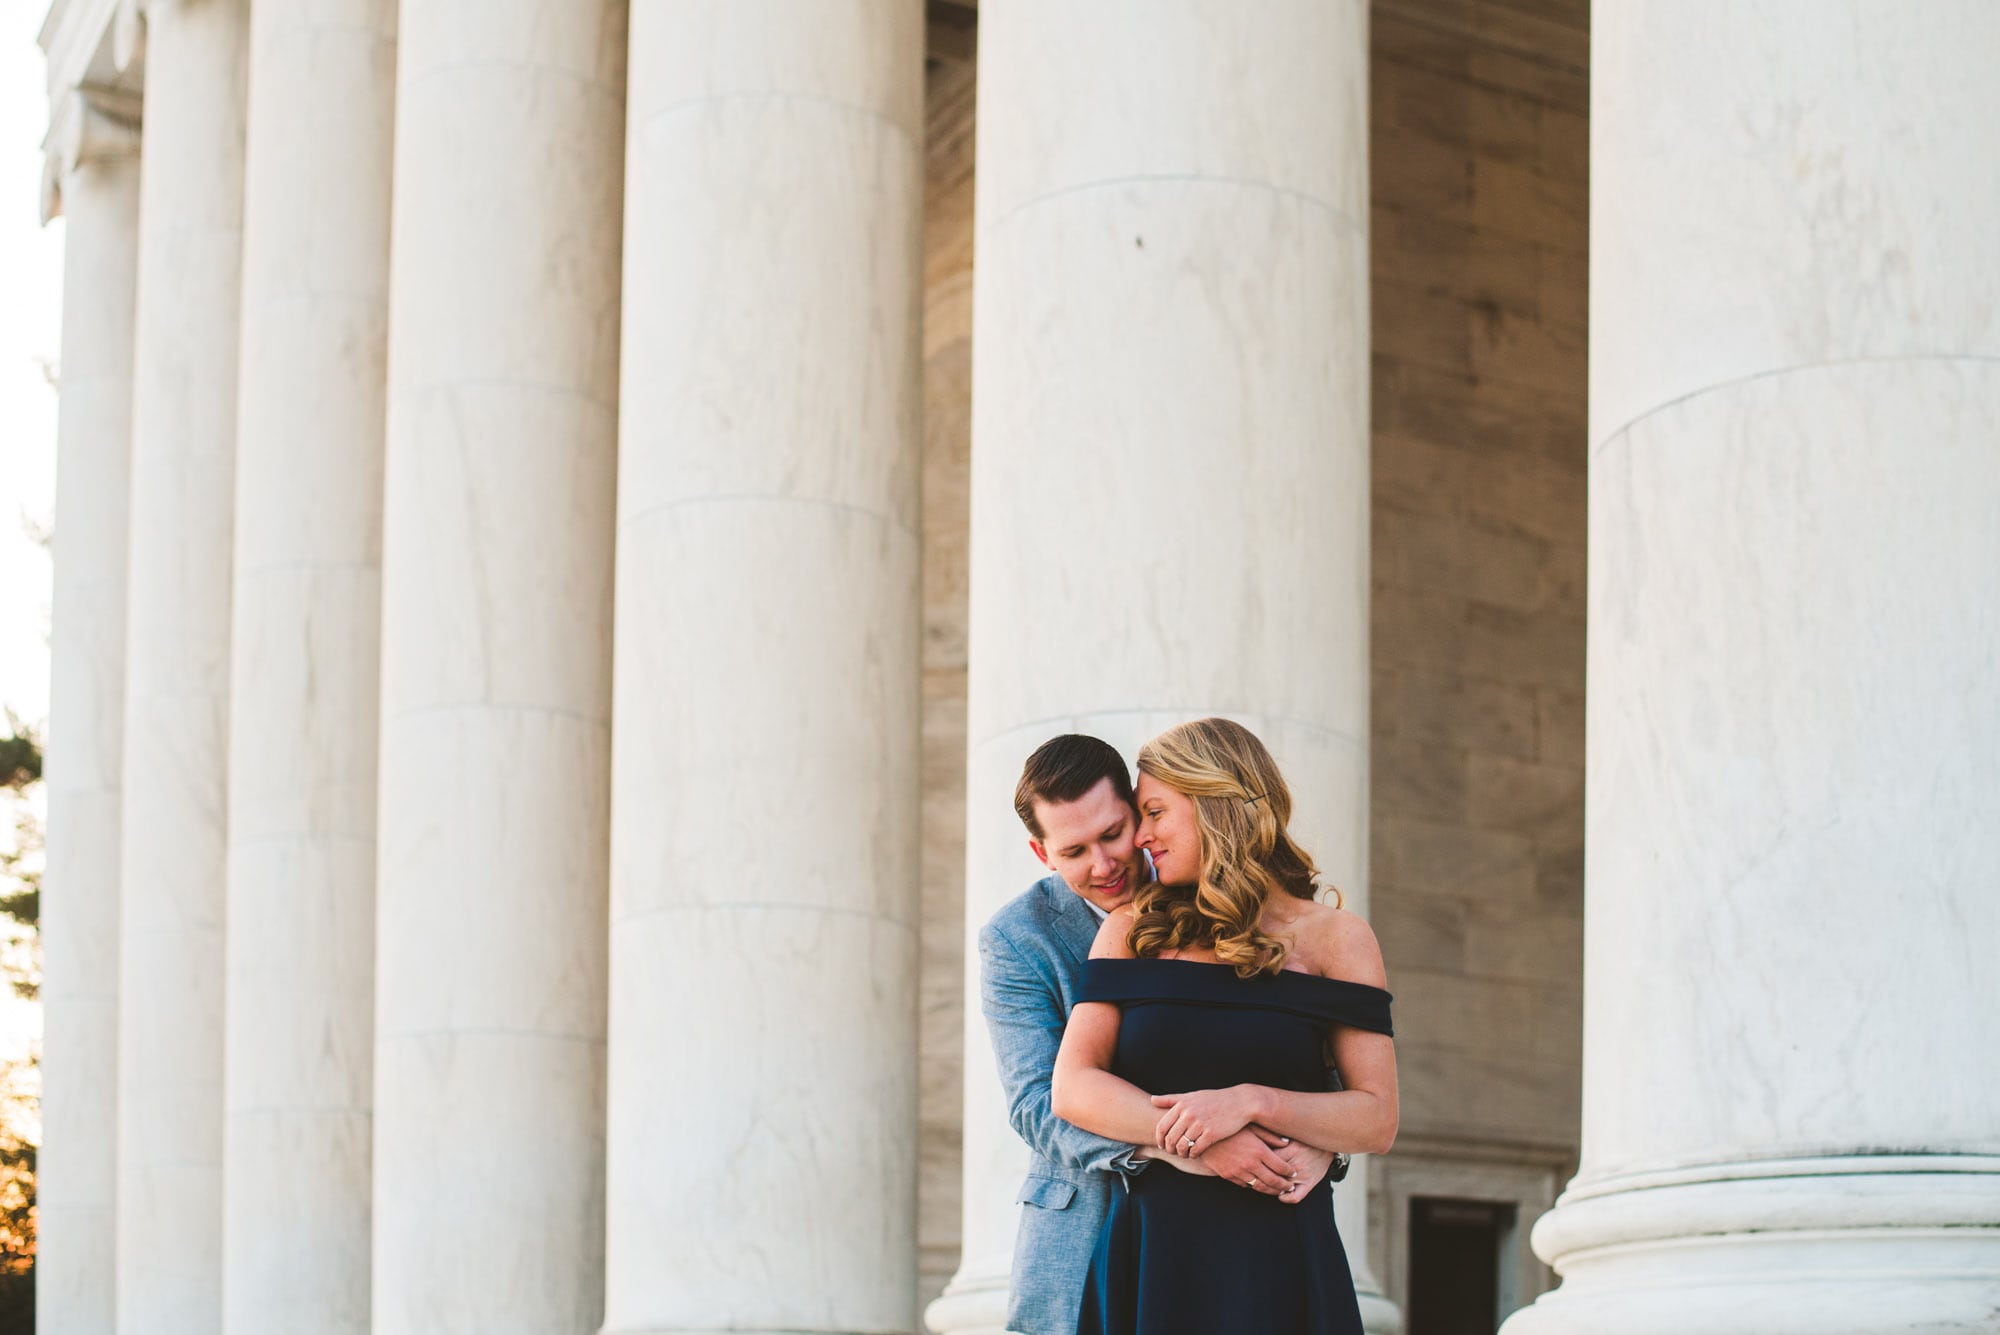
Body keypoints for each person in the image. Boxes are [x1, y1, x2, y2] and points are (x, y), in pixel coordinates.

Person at [980, 734, 1339, 1335]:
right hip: (1081, 1227)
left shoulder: (1228, 898)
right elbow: (1035, 1104)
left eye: (1113, 833)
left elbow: (1306, 1053)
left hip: (1237, 1235)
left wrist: (1321, 1141)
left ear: (1141, 811)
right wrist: (1189, 1145)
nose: (1104, 864)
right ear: (1042, 854)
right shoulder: (1015, 939)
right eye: (1074, 851)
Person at [1052, 717, 1398, 1335]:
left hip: (1283, 1256)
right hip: (1153, 1253)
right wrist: (1203, 1141)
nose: (1142, 838)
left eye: (1155, 812)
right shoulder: (1130, 930)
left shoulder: (1337, 939)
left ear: (1214, 802)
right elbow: (1074, 1086)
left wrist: (1250, 1103)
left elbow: (1376, 1117)